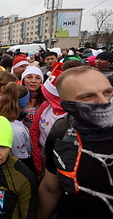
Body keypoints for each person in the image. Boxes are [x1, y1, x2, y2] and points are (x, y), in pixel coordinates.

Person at [38, 66, 113, 218]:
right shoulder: (61, 133)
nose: (104, 101)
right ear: (66, 104)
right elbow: (50, 189)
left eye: (108, 92)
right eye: (87, 97)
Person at [30, 63, 66, 177]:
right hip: (42, 156)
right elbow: (34, 131)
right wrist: (37, 159)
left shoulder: (72, 114)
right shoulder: (46, 106)